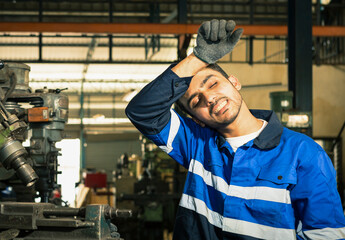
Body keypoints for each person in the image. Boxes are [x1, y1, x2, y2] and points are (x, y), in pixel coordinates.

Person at [125, 19, 345, 239]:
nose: (209, 98)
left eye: (212, 84)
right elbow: (142, 112)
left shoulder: (303, 153)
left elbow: (326, 235)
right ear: (197, 120)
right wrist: (198, 58)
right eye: (195, 101)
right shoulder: (195, 144)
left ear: (234, 82)